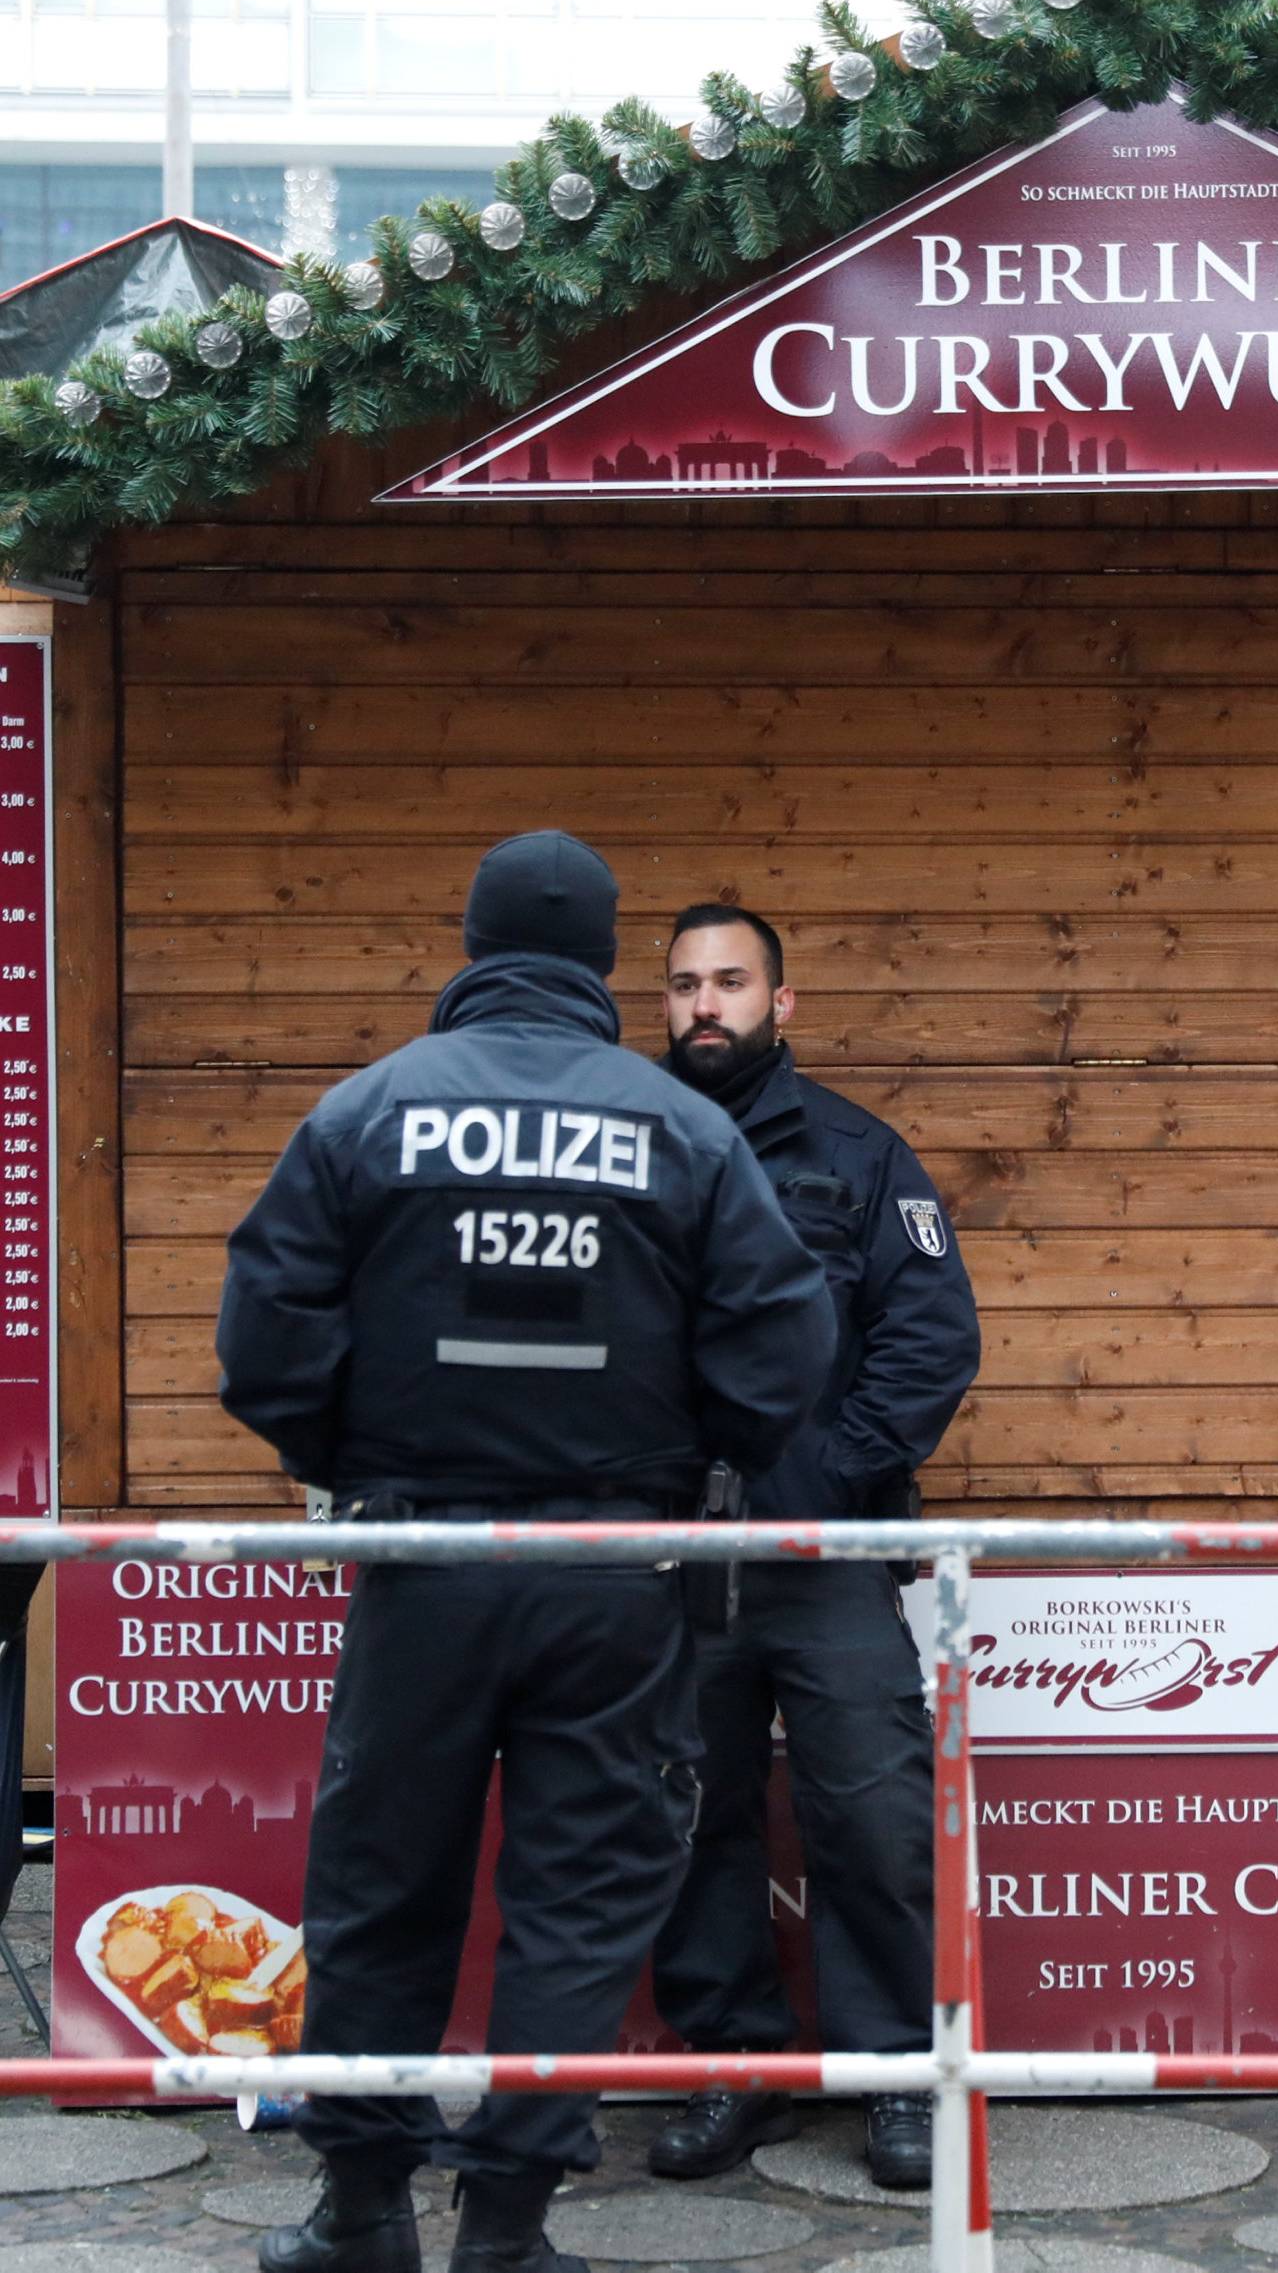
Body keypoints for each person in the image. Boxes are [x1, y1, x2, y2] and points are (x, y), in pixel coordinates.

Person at [216, 835, 835, 2273]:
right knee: (580, 1897)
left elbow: (264, 1335)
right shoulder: (678, 1126)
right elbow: (783, 1340)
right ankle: (506, 2227)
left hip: (423, 1558)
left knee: (382, 1888)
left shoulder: (369, 1110)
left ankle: (359, 2215)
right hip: (615, 1571)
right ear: (602, 955)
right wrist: (690, 1455)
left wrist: (349, 1460)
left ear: (476, 940)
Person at [646, 903, 981, 2192]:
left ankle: (897, 2079)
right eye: (685, 986)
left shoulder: (858, 1154)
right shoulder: (633, 1155)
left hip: (828, 1561)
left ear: (781, 1003)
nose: (706, 1005)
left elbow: (931, 1338)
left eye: (732, 982)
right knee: (688, 1821)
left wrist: (829, 1486)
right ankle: (734, 2064)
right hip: (674, 1568)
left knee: (875, 1822)